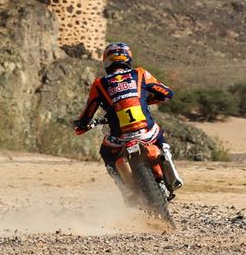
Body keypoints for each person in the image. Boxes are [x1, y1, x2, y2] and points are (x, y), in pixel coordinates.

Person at [74, 41, 183, 198]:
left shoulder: (99, 84)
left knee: (106, 153)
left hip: (120, 138)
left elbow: (89, 111)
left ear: (106, 61)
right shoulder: (140, 74)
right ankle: (172, 170)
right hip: (147, 132)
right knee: (158, 134)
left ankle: (125, 191)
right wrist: (147, 99)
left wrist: (82, 125)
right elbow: (167, 93)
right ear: (128, 59)